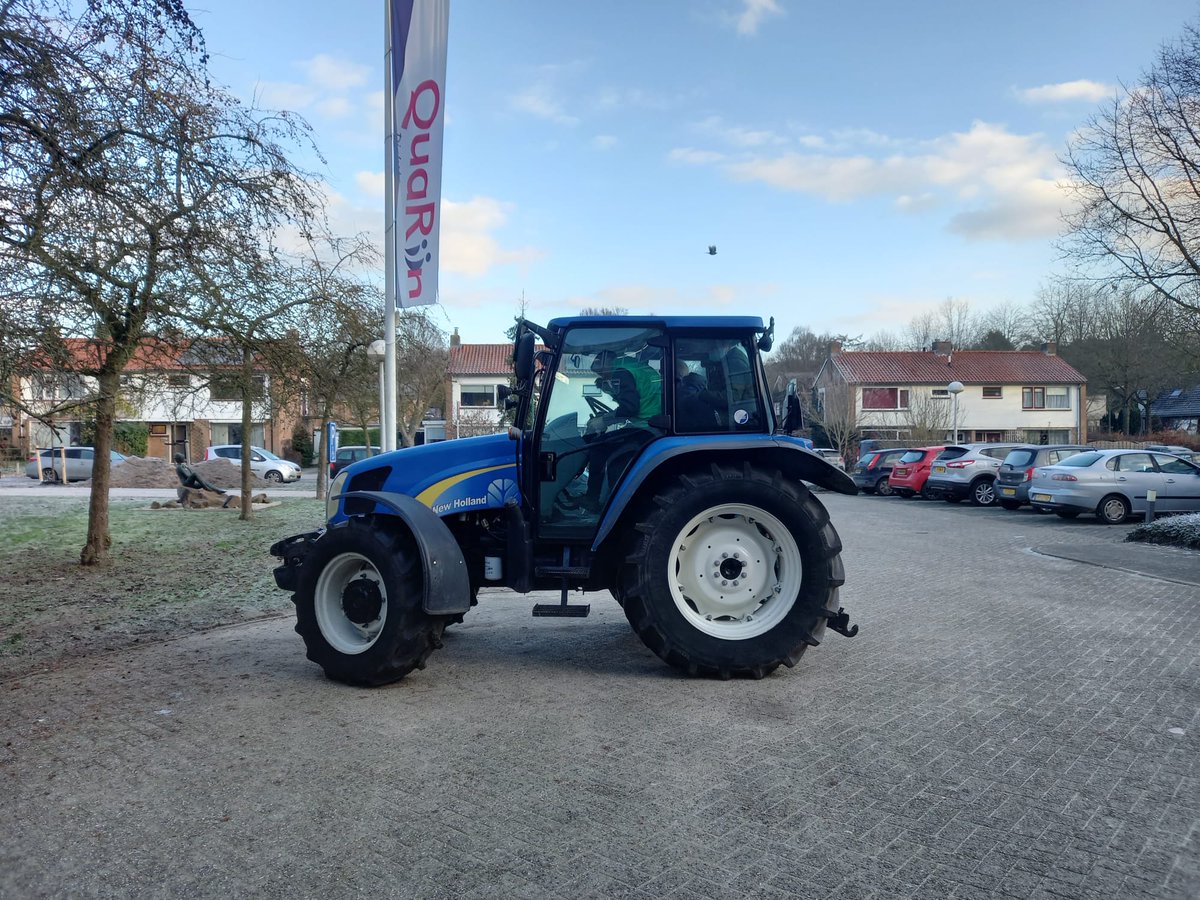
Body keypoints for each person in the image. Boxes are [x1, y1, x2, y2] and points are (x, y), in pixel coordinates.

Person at [575, 350, 662, 512]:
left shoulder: (621, 372)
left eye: (604, 376)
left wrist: (604, 420)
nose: (605, 380)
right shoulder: (630, 366)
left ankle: (592, 498)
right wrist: (608, 416)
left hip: (648, 427)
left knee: (598, 445)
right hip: (651, 422)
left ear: (606, 361)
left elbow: (630, 407)